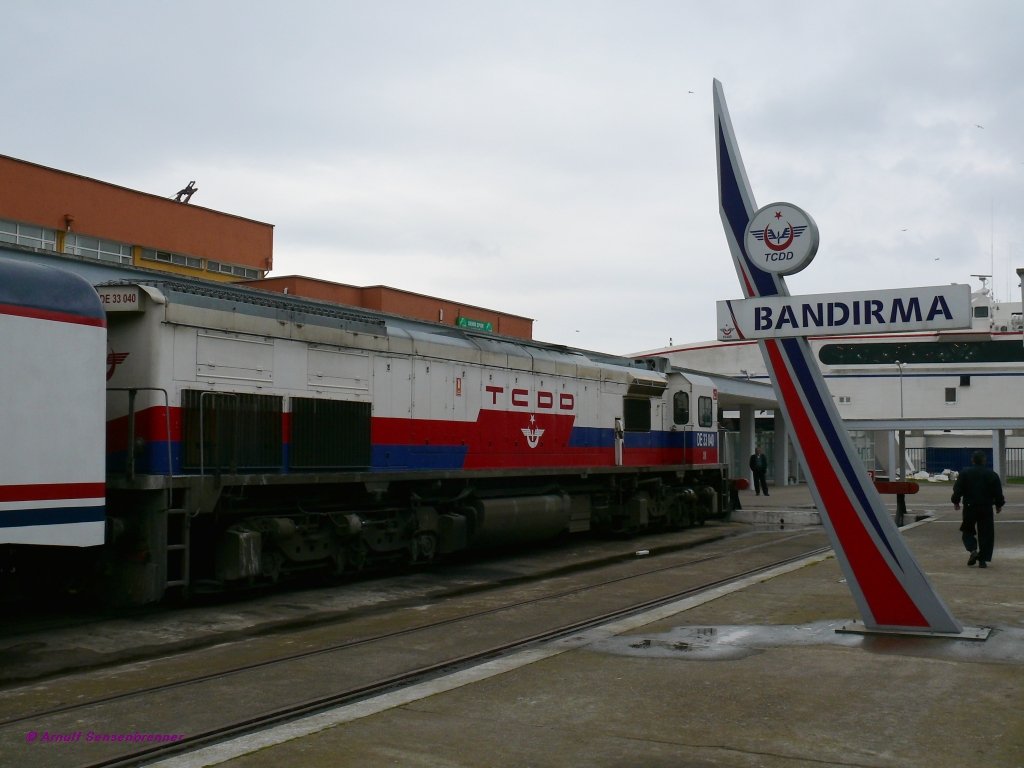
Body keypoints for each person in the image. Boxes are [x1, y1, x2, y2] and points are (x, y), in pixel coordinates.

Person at [951, 451, 1005, 568]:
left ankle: (973, 550)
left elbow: (958, 489)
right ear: (984, 461)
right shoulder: (992, 475)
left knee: (967, 530)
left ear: (972, 460)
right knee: (986, 533)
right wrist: (999, 504)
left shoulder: (965, 473)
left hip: (970, 506)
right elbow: (998, 492)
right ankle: (983, 559)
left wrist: (956, 501)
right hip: (986, 507)